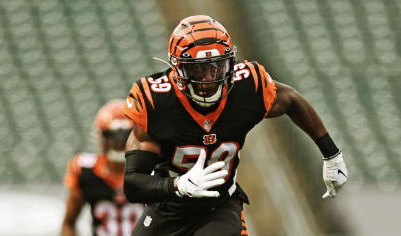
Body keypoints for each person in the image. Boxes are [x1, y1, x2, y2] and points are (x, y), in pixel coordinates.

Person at [122, 15, 348, 236]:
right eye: (198, 69)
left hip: (218, 207)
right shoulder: (156, 102)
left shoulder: (247, 87)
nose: (208, 80)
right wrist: (177, 185)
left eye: (216, 67)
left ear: (230, 63)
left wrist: (331, 155)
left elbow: (291, 100)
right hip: (167, 209)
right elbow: (133, 183)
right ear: (178, 69)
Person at [61, 100, 144, 236]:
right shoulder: (85, 171)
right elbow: (69, 223)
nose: (119, 143)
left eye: (125, 136)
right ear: (102, 137)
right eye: (113, 136)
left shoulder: (154, 171)